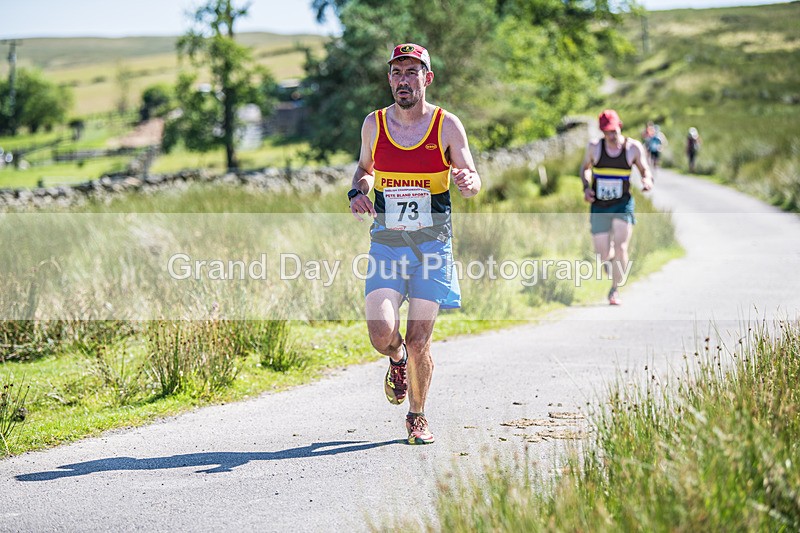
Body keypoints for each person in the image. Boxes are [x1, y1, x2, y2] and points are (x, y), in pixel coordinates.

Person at [348, 43, 481, 444]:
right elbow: (364, 170)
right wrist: (358, 191)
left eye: (411, 72)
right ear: (389, 79)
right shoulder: (374, 123)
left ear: (427, 77)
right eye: (396, 72)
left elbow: (471, 177)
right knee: (380, 333)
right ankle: (396, 359)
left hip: (432, 246)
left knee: (421, 338)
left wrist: (468, 181)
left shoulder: (447, 125)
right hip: (388, 243)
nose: (403, 80)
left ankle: (417, 416)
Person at [581, 109, 653, 305]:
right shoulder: (594, 148)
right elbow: (585, 169)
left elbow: (644, 168)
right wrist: (586, 188)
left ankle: (615, 290)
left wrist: (647, 180)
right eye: (607, 131)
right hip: (599, 205)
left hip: (622, 203)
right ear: (602, 131)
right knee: (603, 254)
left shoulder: (632, 148)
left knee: (621, 247)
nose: (611, 135)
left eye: (614, 130)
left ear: (620, 126)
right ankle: (609, 261)